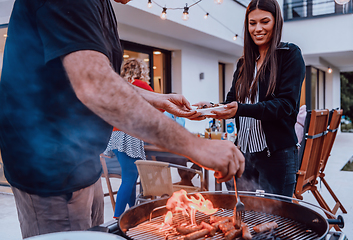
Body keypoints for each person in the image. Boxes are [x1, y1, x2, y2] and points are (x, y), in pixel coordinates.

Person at [0, 0, 245, 238]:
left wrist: (156, 98)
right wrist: (196, 146)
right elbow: (95, 85)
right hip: (50, 173)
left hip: (82, 164)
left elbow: (101, 77)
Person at [195, 0, 305, 197]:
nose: (258, 28)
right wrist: (210, 108)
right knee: (244, 215)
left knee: (277, 219)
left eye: (264, 22)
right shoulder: (244, 63)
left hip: (277, 155)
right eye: (252, 23)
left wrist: (241, 109)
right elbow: (231, 102)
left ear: (276, 22)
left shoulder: (289, 55)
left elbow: (285, 106)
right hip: (244, 153)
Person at [103, 58, 154, 219]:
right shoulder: (140, 85)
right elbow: (159, 106)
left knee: (131, 177)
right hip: (129, 135)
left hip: (116, 135)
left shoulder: (120, 86)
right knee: (130, 177)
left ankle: (133, 213)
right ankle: (117, 218)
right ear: (142, 71)